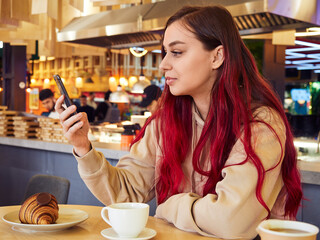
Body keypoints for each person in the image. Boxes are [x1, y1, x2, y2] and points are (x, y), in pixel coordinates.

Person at [55, 5, 302, 239]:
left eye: (176, 52)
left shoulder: (260, 125)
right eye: (165, 53)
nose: (163, 64)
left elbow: (232, 221)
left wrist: (171, 207)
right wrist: (83, 146)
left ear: (217, 56)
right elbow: (125, 193)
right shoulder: (166, 122)